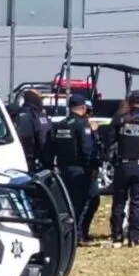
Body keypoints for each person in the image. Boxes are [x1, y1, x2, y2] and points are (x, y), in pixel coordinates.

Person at [103, 90, 139, 247]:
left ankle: (117, 236)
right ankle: (134, 237)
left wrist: (111, 160)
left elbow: (108, 142)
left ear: (129, 103)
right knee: (138, 202)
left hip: (123, 165)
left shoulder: (121, 120)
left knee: (119, 201)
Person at [51, 95, 96, 244]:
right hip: (80, 170)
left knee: (68, 203)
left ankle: (68, 234)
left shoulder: (60, 125)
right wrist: (92, 167)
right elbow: (87, 149)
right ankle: (77, 235)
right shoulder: (82, 125)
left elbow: (52, 147)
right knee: (83, 203)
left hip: (63, 169)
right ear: (83, 108)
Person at [79, 100, 102, 244]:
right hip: (84, 170)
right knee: (88, 201)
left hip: (71, 169)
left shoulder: (65, 124)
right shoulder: (83, 127)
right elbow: (90, 150)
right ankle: (80, 234)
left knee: (90, 201)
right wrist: (94, 133)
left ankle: (82, 233)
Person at [15, 89, 53, 172]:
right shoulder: (37, 115)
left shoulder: (16, 113)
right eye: (41, 98)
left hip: (17, 158)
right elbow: (43, 139)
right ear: (36, 99)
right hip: (33, 161)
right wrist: (48, 163)